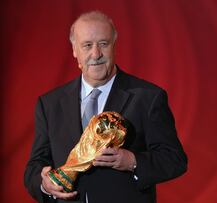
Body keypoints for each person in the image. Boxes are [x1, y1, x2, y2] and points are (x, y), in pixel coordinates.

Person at [24, 11, 187, 203]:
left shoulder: (148, 97)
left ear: (114, 46)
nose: (96, 54)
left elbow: (174, 160)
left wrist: (133, 162)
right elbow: (36, 166)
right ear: (75, 50)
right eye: (87, 45)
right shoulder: (49, 104)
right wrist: (44, 185)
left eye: (103, 44)